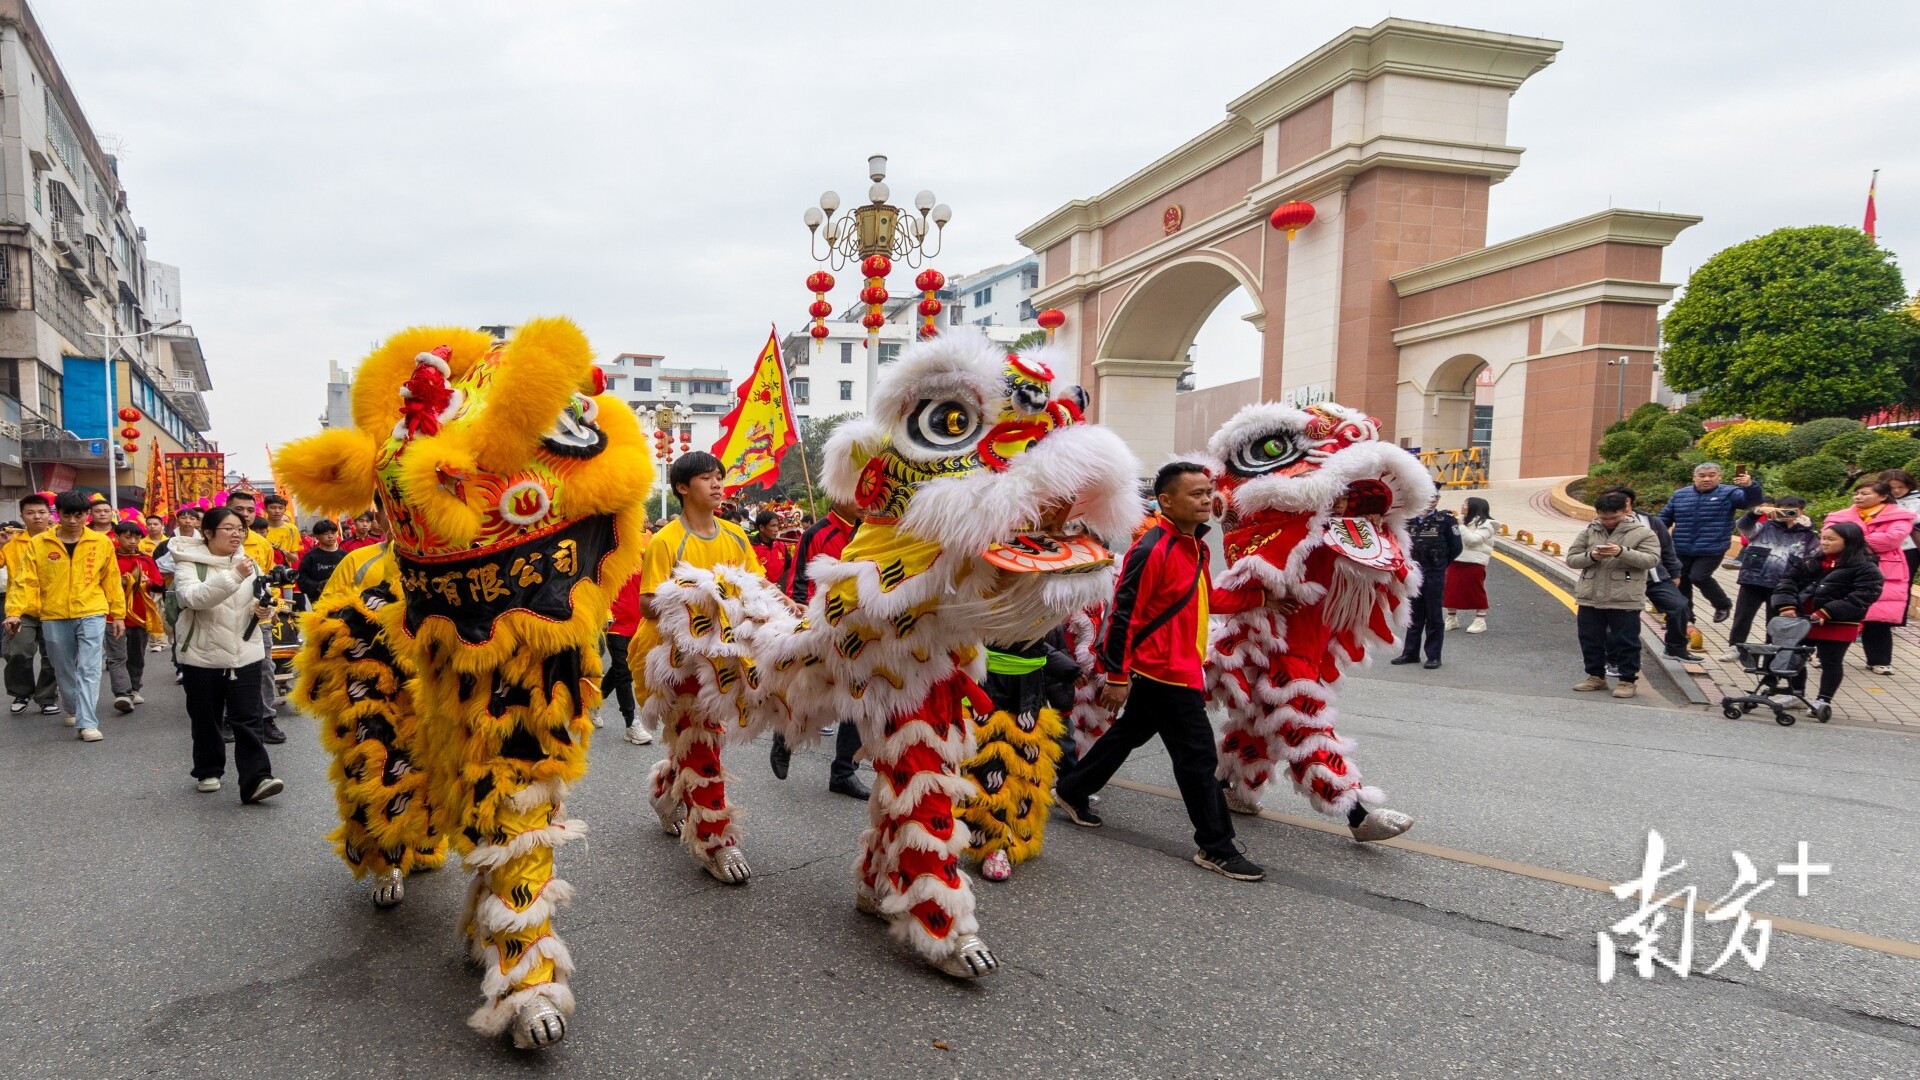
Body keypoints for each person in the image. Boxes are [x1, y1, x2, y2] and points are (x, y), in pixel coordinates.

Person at [1054, 462, 1269, 883]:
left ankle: (1072, 789)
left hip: (1181, 666)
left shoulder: (1196, 546)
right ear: (1166, 501)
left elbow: (1202, 599)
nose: (1207, 500)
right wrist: (1117, 675)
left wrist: (1260, 597)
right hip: (1165, 673)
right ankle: (1217, 847)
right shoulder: (1152, 548)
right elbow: (1123, 615)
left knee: (1127, 734)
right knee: (1198, 758)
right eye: (1196, 494)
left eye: (1209, 493)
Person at [638, 451, 765, 884]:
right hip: (679, 661)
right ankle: (715, 842)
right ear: (682, 487)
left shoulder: (736, 536)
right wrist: (699, 598)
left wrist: (787, 606)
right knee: (701, 745)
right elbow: (646, 604)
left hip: (725, 659)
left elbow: (759, 584)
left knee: (703, 742)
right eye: (707, 479)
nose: (717, 485)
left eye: (719, 478)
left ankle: (663, 791)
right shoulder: (666, 540)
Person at [171, 506, 283, 803]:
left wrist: (263, 609)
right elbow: (193, 598)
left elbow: (260, 600)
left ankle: (257, 779)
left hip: (245, 651)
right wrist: (234, 575)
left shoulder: (248, 563)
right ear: (208, 533)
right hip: (202, 654)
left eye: (240, 529)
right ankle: (208, 769)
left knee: (248, 718)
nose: (237, 534)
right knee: (206, 717)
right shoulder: (188, 563)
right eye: (229, 528)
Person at [4, 489, 125, 740]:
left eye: (78, 515)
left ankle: (87, 722)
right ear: (56, 515)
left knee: (89, 667)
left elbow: (111, 579)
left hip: (92, 610)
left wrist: (118, 614)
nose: (72, 521)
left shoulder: (101, 543)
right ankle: (73, 706)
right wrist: (15, 611)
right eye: (66, 515)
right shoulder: (40, 543)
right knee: (63, 667)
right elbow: (25, 579)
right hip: (53, 613)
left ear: (87, 515)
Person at [768, 498, 867, 798]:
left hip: (860, 627)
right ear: (838, 494)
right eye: (856, 490)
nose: (864, 498)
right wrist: (804, 618)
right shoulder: (817, 533)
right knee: (811, 688)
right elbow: (799, 582)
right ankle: (785, 735)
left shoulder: (871, 530)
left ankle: (844, 771)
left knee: (858, 695)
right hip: (821, 625)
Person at [1772, 522, 1885, 713]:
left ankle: (1824, 699)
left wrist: (1828, 612)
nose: (1824, 543)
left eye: (1831, 539)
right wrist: (1786, 604)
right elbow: (1787, 581)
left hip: (1839, 621)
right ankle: (1796, 693)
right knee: (1795, 655)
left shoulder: (1866, 567)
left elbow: (1863, 596)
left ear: (1849, 542)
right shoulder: (1811, 560)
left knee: (1830, 661)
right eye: (1823, 538)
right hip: (1804, 618)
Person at [1567, 491, 1661, 699]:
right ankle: (1595, 676)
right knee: (1590, 639)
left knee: (1626, 640)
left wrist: (1621, 551)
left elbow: (1651, 560)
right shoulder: (1590, 531)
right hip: (1590, 595)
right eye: (1604, 517)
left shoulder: (1643, 533)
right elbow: (1572, 559)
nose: (1608, 522)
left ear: (1625, 511)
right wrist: (1591, 555)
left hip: (1625, 596)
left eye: (1614, 517)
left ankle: (1627, 680)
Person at [1821, 479, 1916, 676]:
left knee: (1879, 618)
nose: (1858, 497)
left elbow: (1892, 539)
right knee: (1838, 613)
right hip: (1845, 567)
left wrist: (1850, 540)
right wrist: (1856, 541)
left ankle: (1879, 660)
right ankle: (1825, 657)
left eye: (1865, 493)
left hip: (1885, 569)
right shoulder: (1839, 516)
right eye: (1857, 493)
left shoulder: (1900, 516)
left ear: (1882, 496)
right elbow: (1828, 535)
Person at [1658, 461, 1763, 624]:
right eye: (1702, 476)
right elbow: (1664, 518)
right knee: (1682, 581)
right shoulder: (1680, 495)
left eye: (1712, 475)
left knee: (1698, 577)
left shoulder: (1730, 493)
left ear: (1719, 477)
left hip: (1712, 547)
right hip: (1681, 547)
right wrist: (1653, 534)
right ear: (1694, 478)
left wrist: (1750, 486)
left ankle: (1722, 604)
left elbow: (1750, 503)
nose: (1706, 479)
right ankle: (1685, 619)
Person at [1606, 487, 1699, 664]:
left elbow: (1667, 549)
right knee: (1621, 617)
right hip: (1625, 577)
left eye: (1618, 500)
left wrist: (1675, 573)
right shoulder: (1605, 523)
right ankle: (1614, 659)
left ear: (1628, 501)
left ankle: (1675, 648)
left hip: (1655, 576)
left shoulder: (1650, 521)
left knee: (1679, 606)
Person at [1719, 496, 1820, 659]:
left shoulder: (1807, 535)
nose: (1787, 514)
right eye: (1783, 510)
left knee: (1773, 621)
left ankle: (1771, 650)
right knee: (1743, 616)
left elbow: (1814, 559)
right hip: (1753, 579)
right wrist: (1757, 512)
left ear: (1802, 512)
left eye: (1792, 510)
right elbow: (1742, 526)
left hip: (1782, 585)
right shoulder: (1764, 527)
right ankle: (1735, 647)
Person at [225, 490, 285, 740]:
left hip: (258, 616)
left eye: (250, 510)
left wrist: (272, 609)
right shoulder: (214, 542)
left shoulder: (261, 544)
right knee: (228, 667)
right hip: (225, 617)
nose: (246, 515)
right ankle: (230, 718)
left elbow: (268, 580)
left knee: (264, 666)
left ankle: (266, 718)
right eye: (240, 509)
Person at [3, 494, 61, 716]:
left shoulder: (58, 539)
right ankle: (21, 692)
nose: (37, 516)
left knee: (53, 655)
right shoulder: (11, 544)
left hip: (53, 606)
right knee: (18, 652)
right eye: (30, 513)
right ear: (22, 516)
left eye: (41, 512)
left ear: (49, 515)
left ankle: (46, 696)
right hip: (21, 608)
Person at [1391, 493, 1461, 669]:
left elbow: (1456, 547)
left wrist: (1441, 564)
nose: (1431, 501)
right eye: (1428, 497)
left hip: (1434, 572)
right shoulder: (1409, 519)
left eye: (1435, 498)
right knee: (1414, 613)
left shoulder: (1446, 520)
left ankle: (1433, 655)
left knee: (1434, 614)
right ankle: (1410, 652)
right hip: (1414, 572)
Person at [106, 521, 165, 713]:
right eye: (127, 537)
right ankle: (122, 693)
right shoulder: (109, 559)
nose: (132, 541)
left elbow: (159, 585)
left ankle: (134, 688)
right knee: (117, 657)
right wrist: (118, 582)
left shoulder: (146, 561)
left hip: (140, 616)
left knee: (137, 656)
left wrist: (146, 582)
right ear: (117, 537)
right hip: (113, 616)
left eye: (137, 537)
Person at [601, 570, 653, 745]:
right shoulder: (611, 548)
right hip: (616, 623)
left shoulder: (647, 548)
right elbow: (599, 581)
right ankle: (631, 723)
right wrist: (605, 613)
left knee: (622, 669)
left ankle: (594, 701)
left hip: (639, 623)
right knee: (623, 672)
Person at [1443, 496, 1495, 634]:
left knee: (1475, 591)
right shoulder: (1461, 520)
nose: (1463, 506)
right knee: (1450, 589)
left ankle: (1480, 620)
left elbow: (1473, 540)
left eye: (1466, 504)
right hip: (1455, 560)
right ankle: (1451, 618)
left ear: (1475, 507)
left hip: (1474, 562)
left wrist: (1460, 525)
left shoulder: (1486, 525)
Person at [295, 519, 349, 606]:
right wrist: (318, 586)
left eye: (333, 533)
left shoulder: (345, 556)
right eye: (325, 534)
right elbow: (302, 579)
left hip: (342, 600)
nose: (330, 536)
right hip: (318, 601)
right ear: (317, 536)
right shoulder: (310, 557)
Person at [1886, 469, 1920, 595]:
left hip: (1910, 550)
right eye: (1891, 487)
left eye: (1901, 486)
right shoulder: (1877, 500)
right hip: (1884, 549)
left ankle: (1902, 615)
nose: (1896, 491)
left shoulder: (1917, 500)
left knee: (1905, 585)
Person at [749, 509, 790, 588]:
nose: (776, 530)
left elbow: (789, 568)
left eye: (777, 526)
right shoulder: (751, 547)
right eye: (773, 526)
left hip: (780, 592)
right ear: (761, 527)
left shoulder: (781, 545)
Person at [261, 494, 303, 565]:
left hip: (283, 571)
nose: (277, 511)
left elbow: (295, 558)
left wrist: (286, 553)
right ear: (265, 509)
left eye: (281, 508)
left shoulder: (292, 529)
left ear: (285, 510)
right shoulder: (258, 527)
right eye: (273, 507)